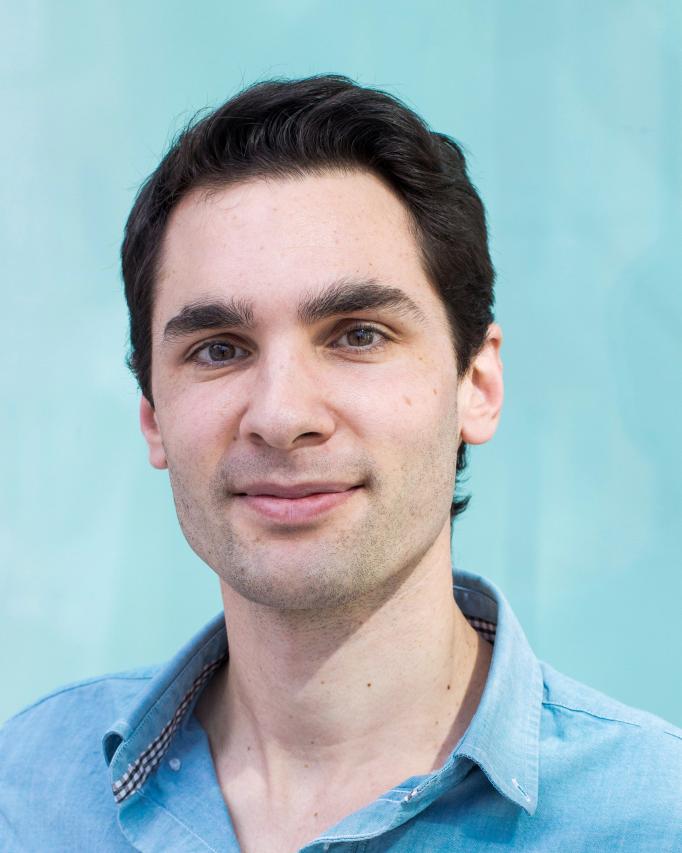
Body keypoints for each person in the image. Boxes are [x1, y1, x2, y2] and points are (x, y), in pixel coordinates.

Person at [1, 74, 680, 853]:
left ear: (478, 386)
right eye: (218, 349)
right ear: (153, 415)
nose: (283, 415)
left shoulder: (653, 820)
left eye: (358, 334)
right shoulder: (26, 792)